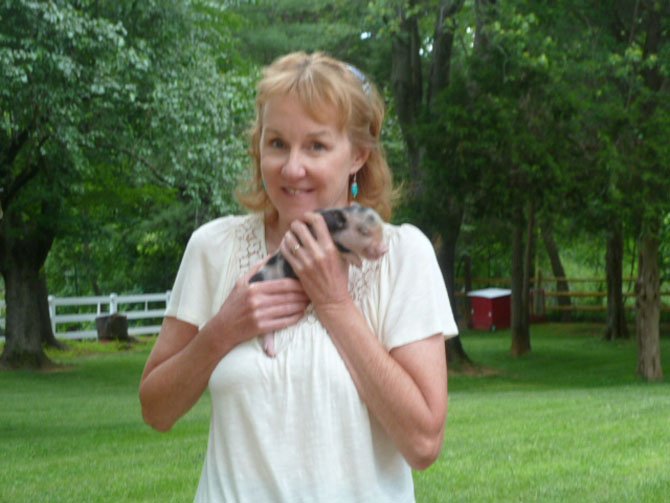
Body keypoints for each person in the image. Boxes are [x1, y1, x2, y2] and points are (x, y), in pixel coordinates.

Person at [139, 51, 458, 502]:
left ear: (358, 155)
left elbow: (424, 444)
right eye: (277, 144)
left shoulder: (402, 255)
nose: (292, 167)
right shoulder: (214, 248)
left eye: (316, 146)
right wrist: (223, 330)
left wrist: (334, 305)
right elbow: (156, 410)